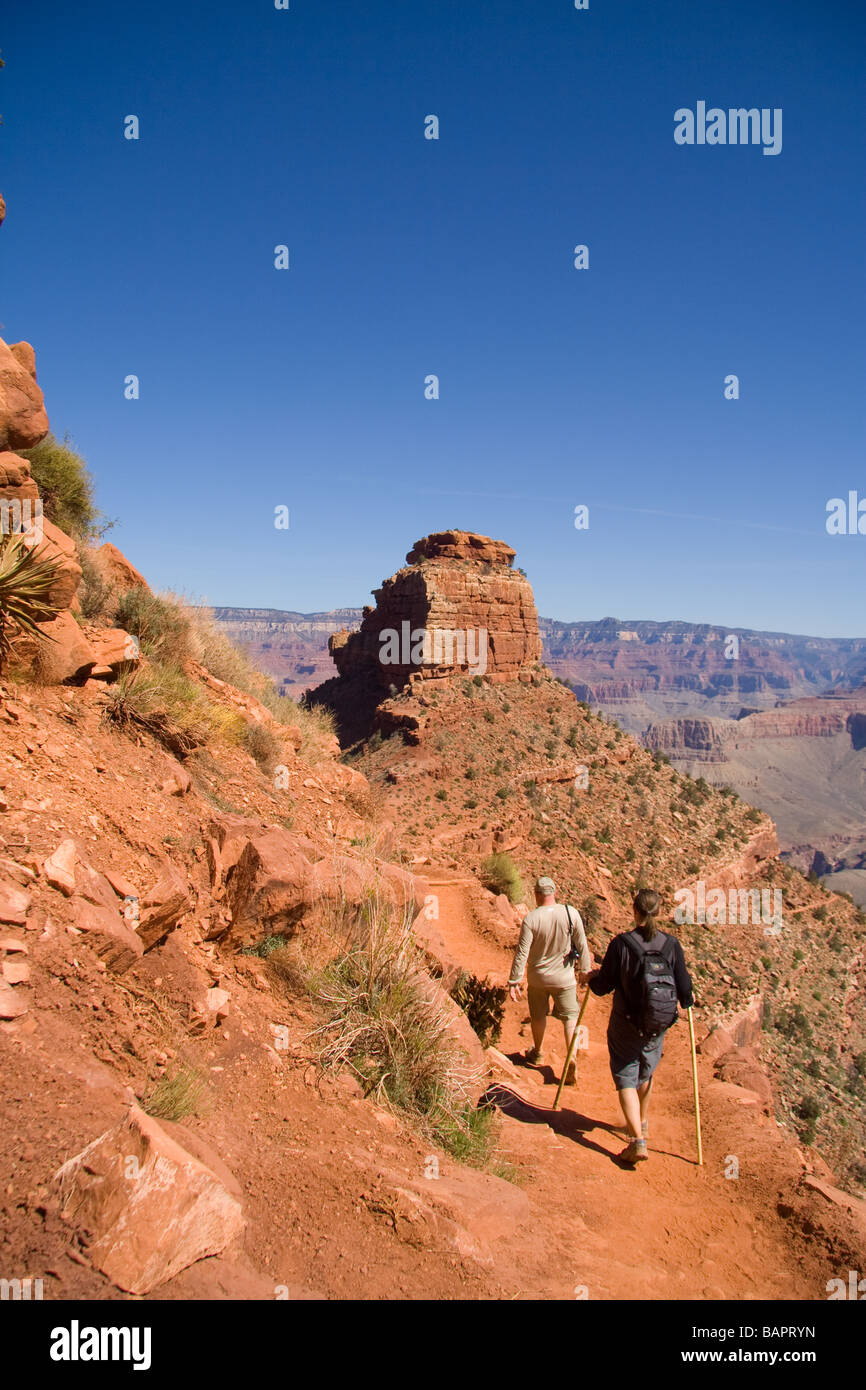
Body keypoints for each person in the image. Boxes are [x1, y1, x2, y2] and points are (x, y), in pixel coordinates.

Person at [582, 888, 694, 1164]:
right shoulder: (671, 945)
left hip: (626, 1023)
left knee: (625, 1076)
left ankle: (637, 1141)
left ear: (635, 911)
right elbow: (685, 989)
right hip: (658, 1024)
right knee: (645, 1072)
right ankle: (641, 1122)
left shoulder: (622, 944)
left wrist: (591, 978)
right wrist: (688, 1001)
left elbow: (603, 987)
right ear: (659, 913)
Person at [508, 875, 591, 1083]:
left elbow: (522, 952)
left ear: (537, 895)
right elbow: (582, 945)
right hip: (565, 978)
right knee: (571, 1018)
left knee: (538, 1016)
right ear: (555, 893)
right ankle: (571, 1059)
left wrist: (514, 980)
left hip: (538, 978)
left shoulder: (532, 918)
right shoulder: (571, 913)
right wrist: (585, 970)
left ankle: (537, 1052)